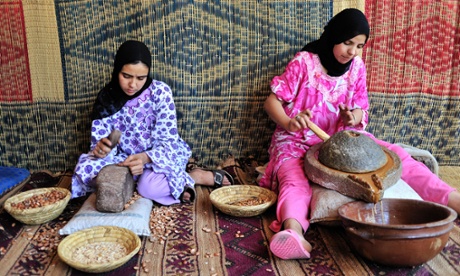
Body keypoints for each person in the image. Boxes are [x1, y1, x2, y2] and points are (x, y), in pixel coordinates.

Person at [260, 8, 460, 260]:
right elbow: (271, 102)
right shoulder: (304, 63)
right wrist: (290, 123)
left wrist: (353, 117)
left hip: (346, 143)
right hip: (296, 141)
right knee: (294, 180)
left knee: (398, 159)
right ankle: (294, 233)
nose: (352, 51)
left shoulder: (356, 67)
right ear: (334, 36)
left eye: (359, 45)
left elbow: (361, 109)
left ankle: (454, 201)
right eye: (347, 42)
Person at [71, 40, 232, 205]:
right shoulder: (107, 98)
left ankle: (194, 176)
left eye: (141, 78)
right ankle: (142, 180)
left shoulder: (160, 93)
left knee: (149, 189)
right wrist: (102, 150)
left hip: (157, 157)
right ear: (117, 70)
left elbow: (168, 141)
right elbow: (102, 144)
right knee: (85, 169)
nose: (133, 84)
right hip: (122, 160)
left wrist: (144, 158)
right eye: (126, 76)